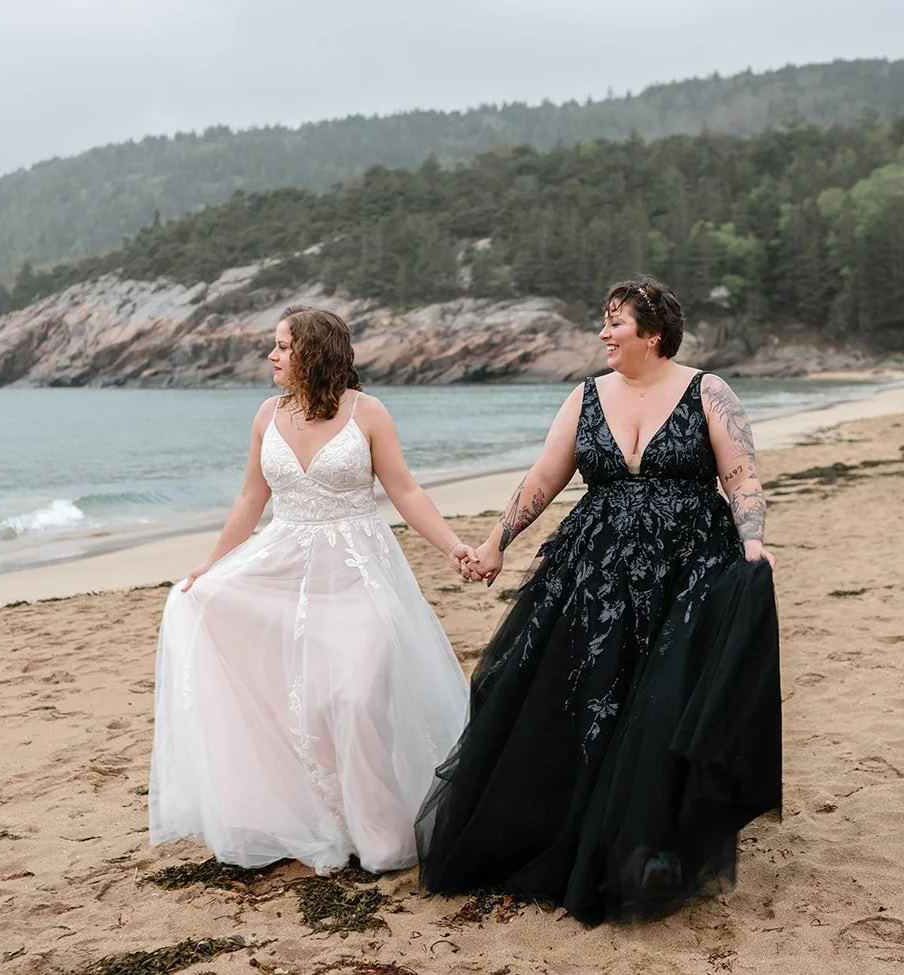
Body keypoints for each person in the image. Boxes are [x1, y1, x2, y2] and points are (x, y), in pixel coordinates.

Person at [418, 276, 782, 924]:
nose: (603, 334)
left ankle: (650, 847)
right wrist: (496, 540)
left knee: (660, 705)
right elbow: (544, 477)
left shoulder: (708, 392)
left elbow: (742, 479)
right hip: (596, 572)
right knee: (567, 698)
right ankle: (573, 833)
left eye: (615, 323)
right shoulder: (585, 396)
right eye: (603, 322)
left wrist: (753, 543)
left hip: (687, 569)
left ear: (653, 332)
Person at [150, 306, 472, 874]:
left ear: (313, 352)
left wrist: (453, 548)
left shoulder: (367, 413)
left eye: (282, 346)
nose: (271, 357)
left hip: (357, 573)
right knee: (303, 704)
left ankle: (380, 833)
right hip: (284, 571)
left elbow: (406, 491)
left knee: (352, 700)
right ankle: (322, 820)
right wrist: (209, 568)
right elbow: (251, 500)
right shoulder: (266, 415)